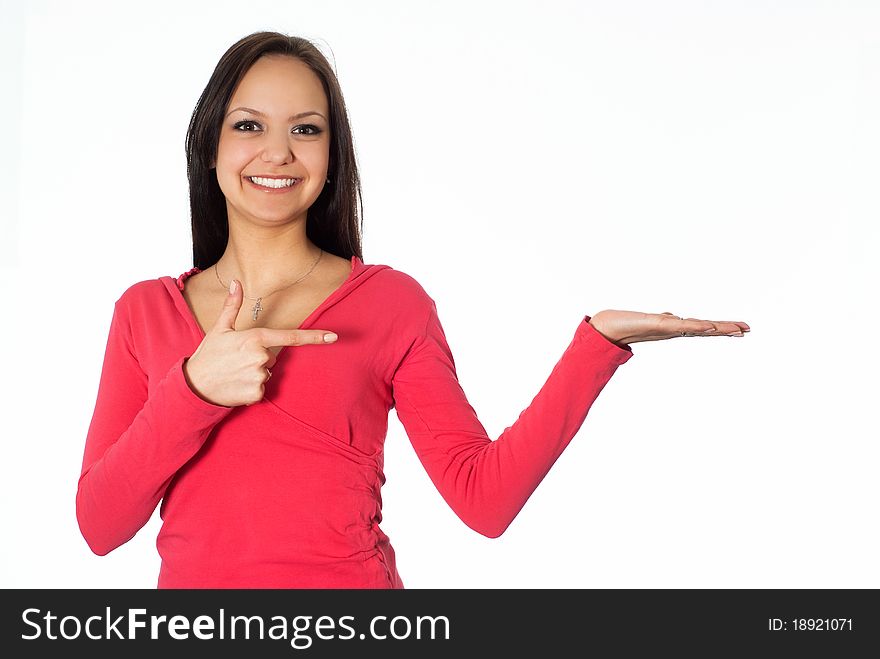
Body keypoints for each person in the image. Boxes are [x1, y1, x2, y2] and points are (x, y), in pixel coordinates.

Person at [75, 31, 750, 589]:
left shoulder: (392, 305)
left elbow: (483, 499)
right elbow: (99, 525)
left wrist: (596, 344)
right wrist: (194, 388)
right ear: (210, 145)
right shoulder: (145, 312)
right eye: (248, 125)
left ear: (332, 155)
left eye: (305, 130)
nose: (277, 152)